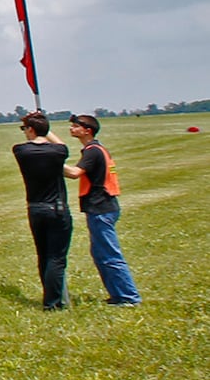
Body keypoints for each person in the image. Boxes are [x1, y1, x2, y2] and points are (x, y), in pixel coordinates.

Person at [62, 114, 141, 306]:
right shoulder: (95, 148)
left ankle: (129, 297)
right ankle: (118, 295)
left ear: (87, 130)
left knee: (109, 254)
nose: (71, 129)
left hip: (101, 209)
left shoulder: (92, 151)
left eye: (75, 126)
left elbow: (74, 174)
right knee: (100, 254)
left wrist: (50, 160)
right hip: (102, 208)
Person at [11, 110, 72, 310]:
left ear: (30, 130)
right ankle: (53, 303)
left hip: (35, 209)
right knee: (57, 258)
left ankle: (50, 296)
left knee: (44, 255)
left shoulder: (20, 151)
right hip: (57, 208)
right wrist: (46, 126)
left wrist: (37, 123)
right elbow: (60, 145)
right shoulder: (59, 152)